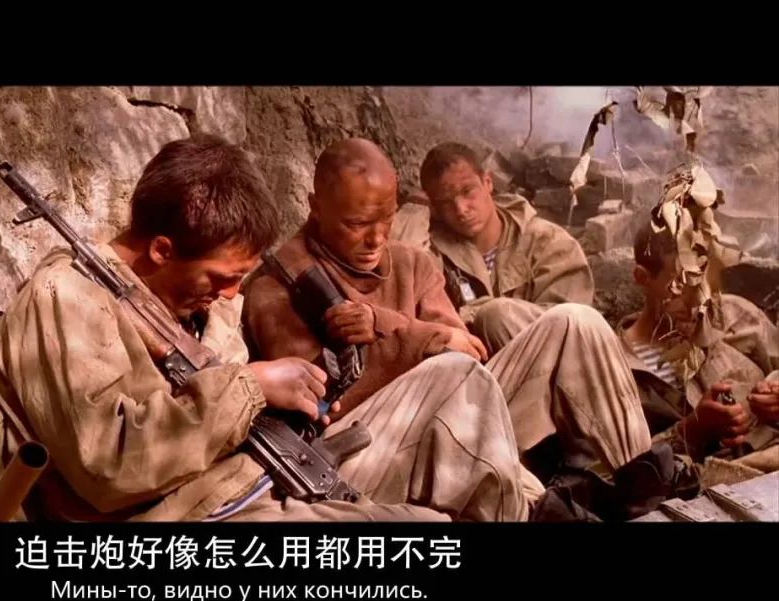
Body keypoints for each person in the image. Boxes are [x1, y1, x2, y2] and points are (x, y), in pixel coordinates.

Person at [0, 134, 529, 523]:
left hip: (261, 475)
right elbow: (110, 466)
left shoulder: (198, 307)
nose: (233, 294)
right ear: (162, 250)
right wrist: (252, 385)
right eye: (222, 278)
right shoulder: (68, 297)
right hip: (197, 513)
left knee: (458, 379)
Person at [243, 138, 654, 511]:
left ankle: (645, 483)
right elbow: (324, 409)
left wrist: (383, 326)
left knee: (575, 321)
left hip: (461, 417)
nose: (377, 239)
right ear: (316, 208)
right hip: (367, 450)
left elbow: (468, 351)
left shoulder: (412, 262)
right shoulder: (279, 286)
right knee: (454, 376)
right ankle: (538, 508)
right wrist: (422, 342)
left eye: (387, 218)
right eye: (357, 224)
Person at [618, 225, 778, 473]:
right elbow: (617, 473)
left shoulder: (736, 315)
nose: (699, 302)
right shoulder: (617, 368)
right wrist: (693, 430)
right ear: (643, 277)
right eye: (680, 285)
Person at [418, 142, 594, 354]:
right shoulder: (434, 252)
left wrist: (476, 315)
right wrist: (415, 208)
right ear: (435, 208)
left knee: (496, 314)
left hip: (547, 365)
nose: (461, 209)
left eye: (467, 191)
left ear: (488, 182)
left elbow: (571, 331)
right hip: (474, 369)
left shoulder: (550, 243)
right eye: (446, 202)